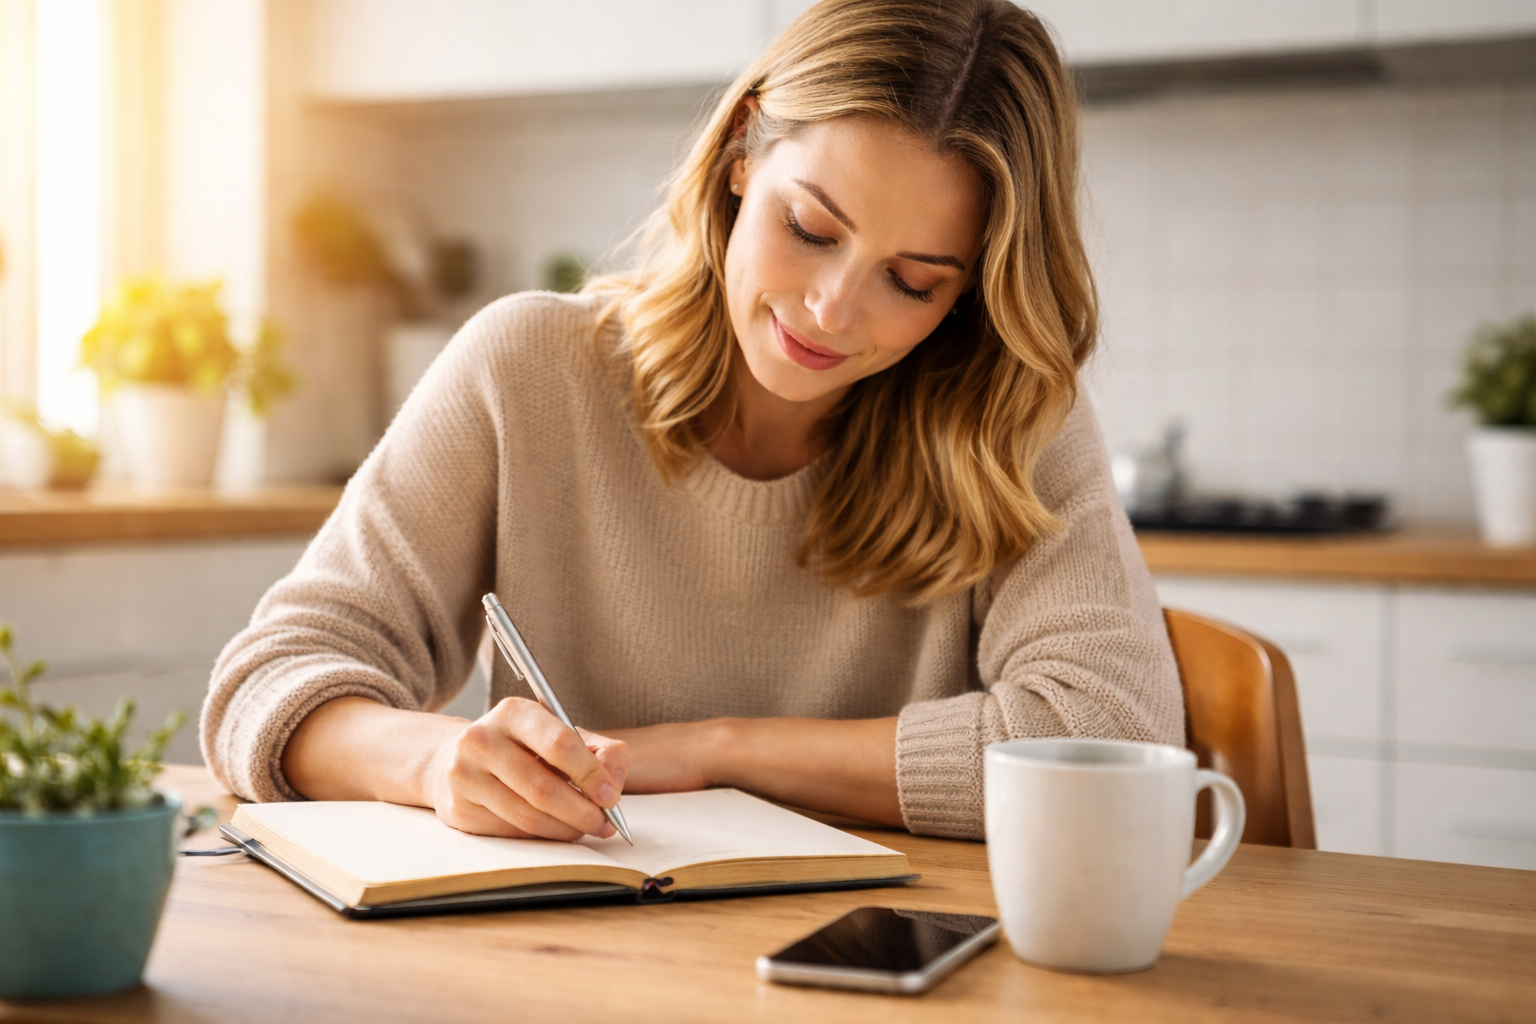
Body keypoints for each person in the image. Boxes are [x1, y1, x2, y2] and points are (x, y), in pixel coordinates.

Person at [201, 0, 1183, 843]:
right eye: (811, 229)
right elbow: (268, 687)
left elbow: (1115, 739)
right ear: (744, 151)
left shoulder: (1008, 418)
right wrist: (430, 759)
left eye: (913, 282)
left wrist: (717, 749)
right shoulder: (530, 370)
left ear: (969, 293)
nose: (834, 309)